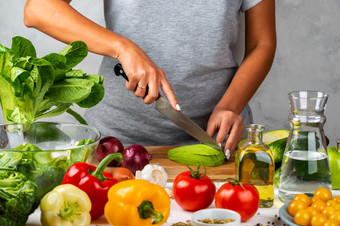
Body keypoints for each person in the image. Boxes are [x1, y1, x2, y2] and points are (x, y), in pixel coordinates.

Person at [23, 0, 276, 159]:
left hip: (215, 142)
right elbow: (39, 8)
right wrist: (123, 48)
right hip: (115, 144)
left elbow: (261, 44)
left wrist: (230, 106)